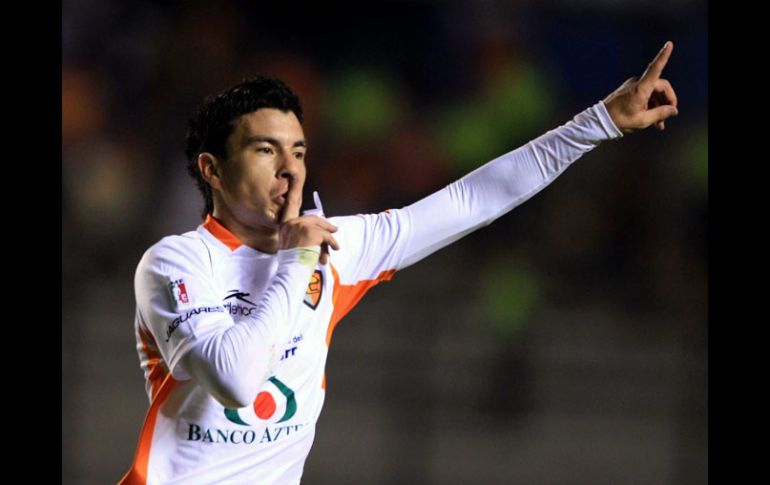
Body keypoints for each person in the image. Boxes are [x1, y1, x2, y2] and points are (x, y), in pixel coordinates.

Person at [120, 41, 678, 484]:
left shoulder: (334, 247)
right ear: (213, 169)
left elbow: (471, 200)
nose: (289, 169)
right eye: (266, 150)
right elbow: (236, 381)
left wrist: (598, 123)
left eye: (299, 151)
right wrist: (297, 260)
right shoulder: (176, 263)